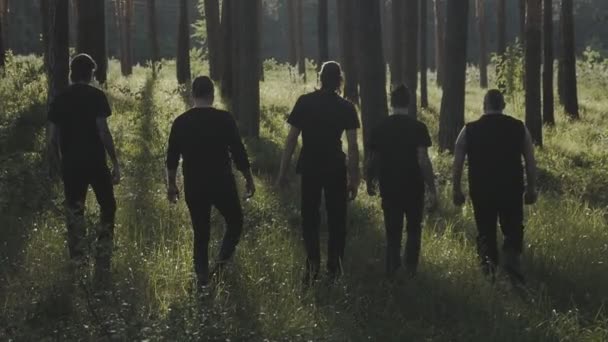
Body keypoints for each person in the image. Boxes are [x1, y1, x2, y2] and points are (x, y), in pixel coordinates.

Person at [166, 76, 255, 288]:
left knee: (201, 231)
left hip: (194, 184)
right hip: (221, 182)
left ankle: (203, 278)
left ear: (192, 95)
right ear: (212, 95)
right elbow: (238, 151)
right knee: (235, 221)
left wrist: (171, 184)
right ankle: (220, 264)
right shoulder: (224, 119)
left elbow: (171, 157)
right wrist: (248, 178)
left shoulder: (181, 122)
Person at [277, 61, 361, 284]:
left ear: (320, 78)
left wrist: (282, 172)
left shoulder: (305, 102)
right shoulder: (346, 108)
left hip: (310, 165)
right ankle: (334, 269)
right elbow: (352, 146)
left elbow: (292, 139)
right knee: (337, 219)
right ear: (339, 81)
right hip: (335, 166)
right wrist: (354, 178)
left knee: (309, 216)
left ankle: (312, 264)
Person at [47, 54, 121, 286]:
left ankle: (77, 259)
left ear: (71, 72)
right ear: (91, 73)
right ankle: (103, 251)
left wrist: (61, 163)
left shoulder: (60, 98)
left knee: (74, 211)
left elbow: (52, 138)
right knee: (108, 206)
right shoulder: (97, 97)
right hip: (95, 163)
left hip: (71, 164)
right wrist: (115, 161)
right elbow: (102, 130)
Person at [452, 89, 538, 282]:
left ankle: (489, 272)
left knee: (485, 230)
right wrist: (531, 188)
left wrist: (456, 189)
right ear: (503, 105)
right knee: (514, 227)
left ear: (484, 105)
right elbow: (530, 162)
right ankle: (512, 262)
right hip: (512, 188)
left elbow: (457, 164)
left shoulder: (469, 130)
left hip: (482, 190)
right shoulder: (519, 127)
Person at [366, 85, 437, 277]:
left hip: (389, 186)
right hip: (414, 187)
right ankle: (411, 271)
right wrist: (432, 188)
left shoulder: (380, 128)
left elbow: (373, 159)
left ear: (391, 102)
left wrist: (369, 181)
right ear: (409, 103)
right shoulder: (419, 128)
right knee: (414, 230)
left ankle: (392, 271)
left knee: (393, 231)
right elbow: (423, 159)